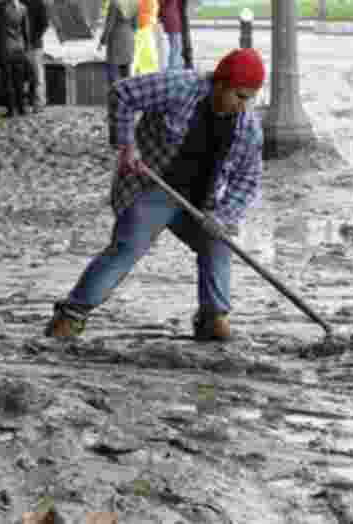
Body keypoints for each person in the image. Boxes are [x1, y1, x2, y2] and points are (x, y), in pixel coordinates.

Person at [44, 48, 266, 342]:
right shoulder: (179, 87)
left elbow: (247, 179)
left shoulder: (247, 128)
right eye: (239, 95)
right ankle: (70, 316)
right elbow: (122, 93)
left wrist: (223, 217)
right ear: (220, 83)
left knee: (218, 244)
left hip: (202, 202)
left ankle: (213, 318)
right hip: (154, 185)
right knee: (128, 246)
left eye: (248, 98)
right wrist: (126, 145)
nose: (242, 106)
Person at [99, 0, 139, 144]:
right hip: (129, 41)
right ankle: (127, 131)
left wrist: (102, 41)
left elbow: (109, 25)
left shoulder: (115, 2)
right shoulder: (133, 2)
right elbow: (136, 25)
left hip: (115, 43)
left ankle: (115, 135)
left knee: (114, 87)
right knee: (126, 84)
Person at [12, 0, 50, 112]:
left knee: (35, 74)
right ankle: (28, 104)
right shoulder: (16, 2)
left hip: (32, 44)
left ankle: (37, 103)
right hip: (21, 44)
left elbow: (44, 23)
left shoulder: (36, 1)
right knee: (27, 75)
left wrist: (34, 38)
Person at [131, 0, 159, 76]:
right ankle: (142, 72)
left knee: (144, 52)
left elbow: (153, 9)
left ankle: (142, 72)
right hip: (142, 27)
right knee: (143, 52)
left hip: (142, 27)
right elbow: (153, 9)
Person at [157, 0, 184, 72]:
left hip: (172, 20)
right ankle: (174, 69)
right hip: (172, 21)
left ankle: (175, 68)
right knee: (176, 46)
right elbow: (158, 2)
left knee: (176, 46)